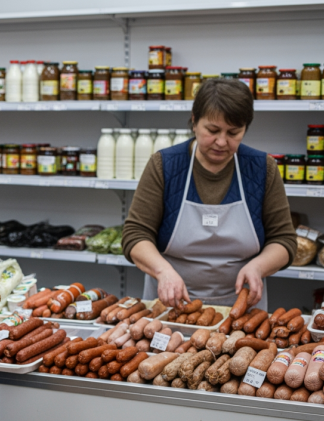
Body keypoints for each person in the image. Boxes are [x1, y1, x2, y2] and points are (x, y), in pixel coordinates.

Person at [123, 78, 296, 311]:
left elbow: (284, 240)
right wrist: (162, 271)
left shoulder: (262, 168)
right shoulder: (164, 165)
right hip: (170, 306)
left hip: (242, 309)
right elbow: (135, 234)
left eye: (234, 132)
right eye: (212, 130)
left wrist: (259, 267)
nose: (222, 142)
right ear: (194, 121)